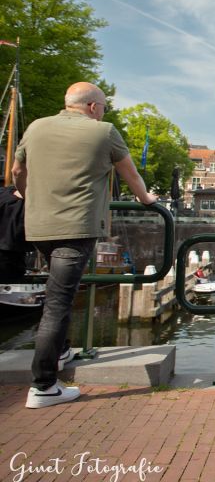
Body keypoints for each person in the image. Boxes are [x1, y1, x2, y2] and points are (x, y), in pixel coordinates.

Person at [12, 82, 157, 409]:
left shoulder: (36, 128)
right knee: (59, 300)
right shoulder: (104, 132)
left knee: (54, 287)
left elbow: (18, 170)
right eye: (103, 106)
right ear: (92, 107)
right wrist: (146, 198)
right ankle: (44, 385)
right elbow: (131, 175)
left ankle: (61, 350)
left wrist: (24, 194)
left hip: (38, 225)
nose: (104, 111)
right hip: (76, 226)